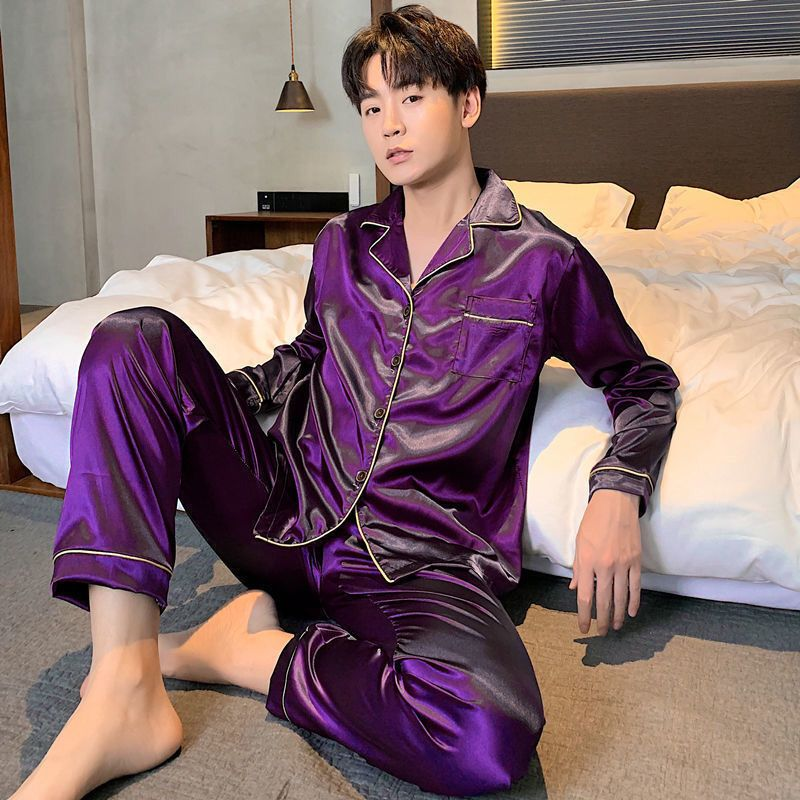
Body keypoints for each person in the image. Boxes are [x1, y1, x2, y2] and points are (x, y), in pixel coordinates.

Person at [11, 4, 680, 798]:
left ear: (469, 103)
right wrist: (194, 407)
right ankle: (122, 691)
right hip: (287, 516)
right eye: (371, 106)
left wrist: (618, 490)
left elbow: (642, 383)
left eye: (412, 97)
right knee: (130, 339)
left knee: (485, 732)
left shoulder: (545, 262)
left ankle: (248, 654)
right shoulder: (344, 243)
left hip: (422, 556)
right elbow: (307, 356)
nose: (389, 124)